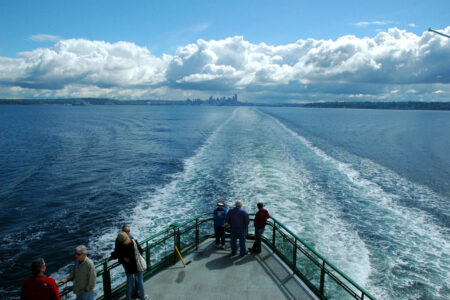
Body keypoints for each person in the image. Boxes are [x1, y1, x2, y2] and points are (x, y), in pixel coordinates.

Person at [112, 231, 147, 300]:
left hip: (129, 267)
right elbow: (141, 251)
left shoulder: (121, 246)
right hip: (137, 265)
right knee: (140, 281)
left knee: (129, 283)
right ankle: (143, 297)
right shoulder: (134, 242)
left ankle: (128, 297)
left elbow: (116, 255)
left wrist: (123, 258)